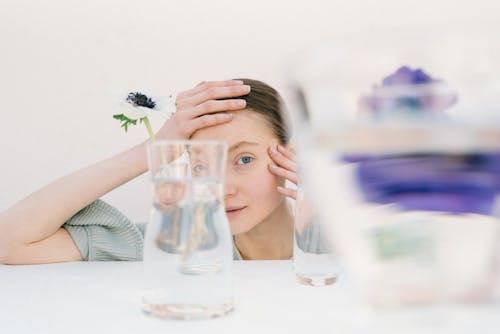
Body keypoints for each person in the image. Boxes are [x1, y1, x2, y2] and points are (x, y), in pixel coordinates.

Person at [0, 79, 298, 264]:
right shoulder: (175, 247)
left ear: (292, 151)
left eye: (244, 160)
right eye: (202, 165)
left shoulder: (337, 244)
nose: (221, 188)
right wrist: (153, 149)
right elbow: (9, 243)